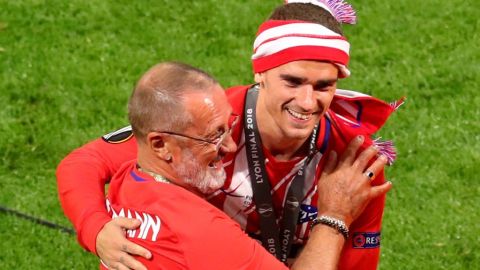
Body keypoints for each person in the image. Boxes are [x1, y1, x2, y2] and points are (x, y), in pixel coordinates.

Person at [57, 1, 403, 269]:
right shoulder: (211, 123)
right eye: (293, 82)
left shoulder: (354, 160)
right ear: (260, 72)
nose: (308, 102)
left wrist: (336, 218)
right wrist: (96, 228)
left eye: (324, 85)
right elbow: (84, 163)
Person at [99, 61, 390, 270]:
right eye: (213, 135)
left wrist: (93, 227)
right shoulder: (202, 230)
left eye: (227, 128)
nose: (228, 146)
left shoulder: (124, 181)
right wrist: (334, 218)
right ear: (160, 144)